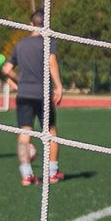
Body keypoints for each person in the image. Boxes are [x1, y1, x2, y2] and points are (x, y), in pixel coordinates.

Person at [5, 24, 67, 185]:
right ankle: (53, 173)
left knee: (24, 133)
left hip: (23, 93)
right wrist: (59, 86)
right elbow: (51, 62)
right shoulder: (48, 41)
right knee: (50, 131)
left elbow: (7, 69)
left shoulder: (20, 43)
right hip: (41, 93)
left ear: (31, 24)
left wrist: (21, 81)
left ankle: (27, 176)